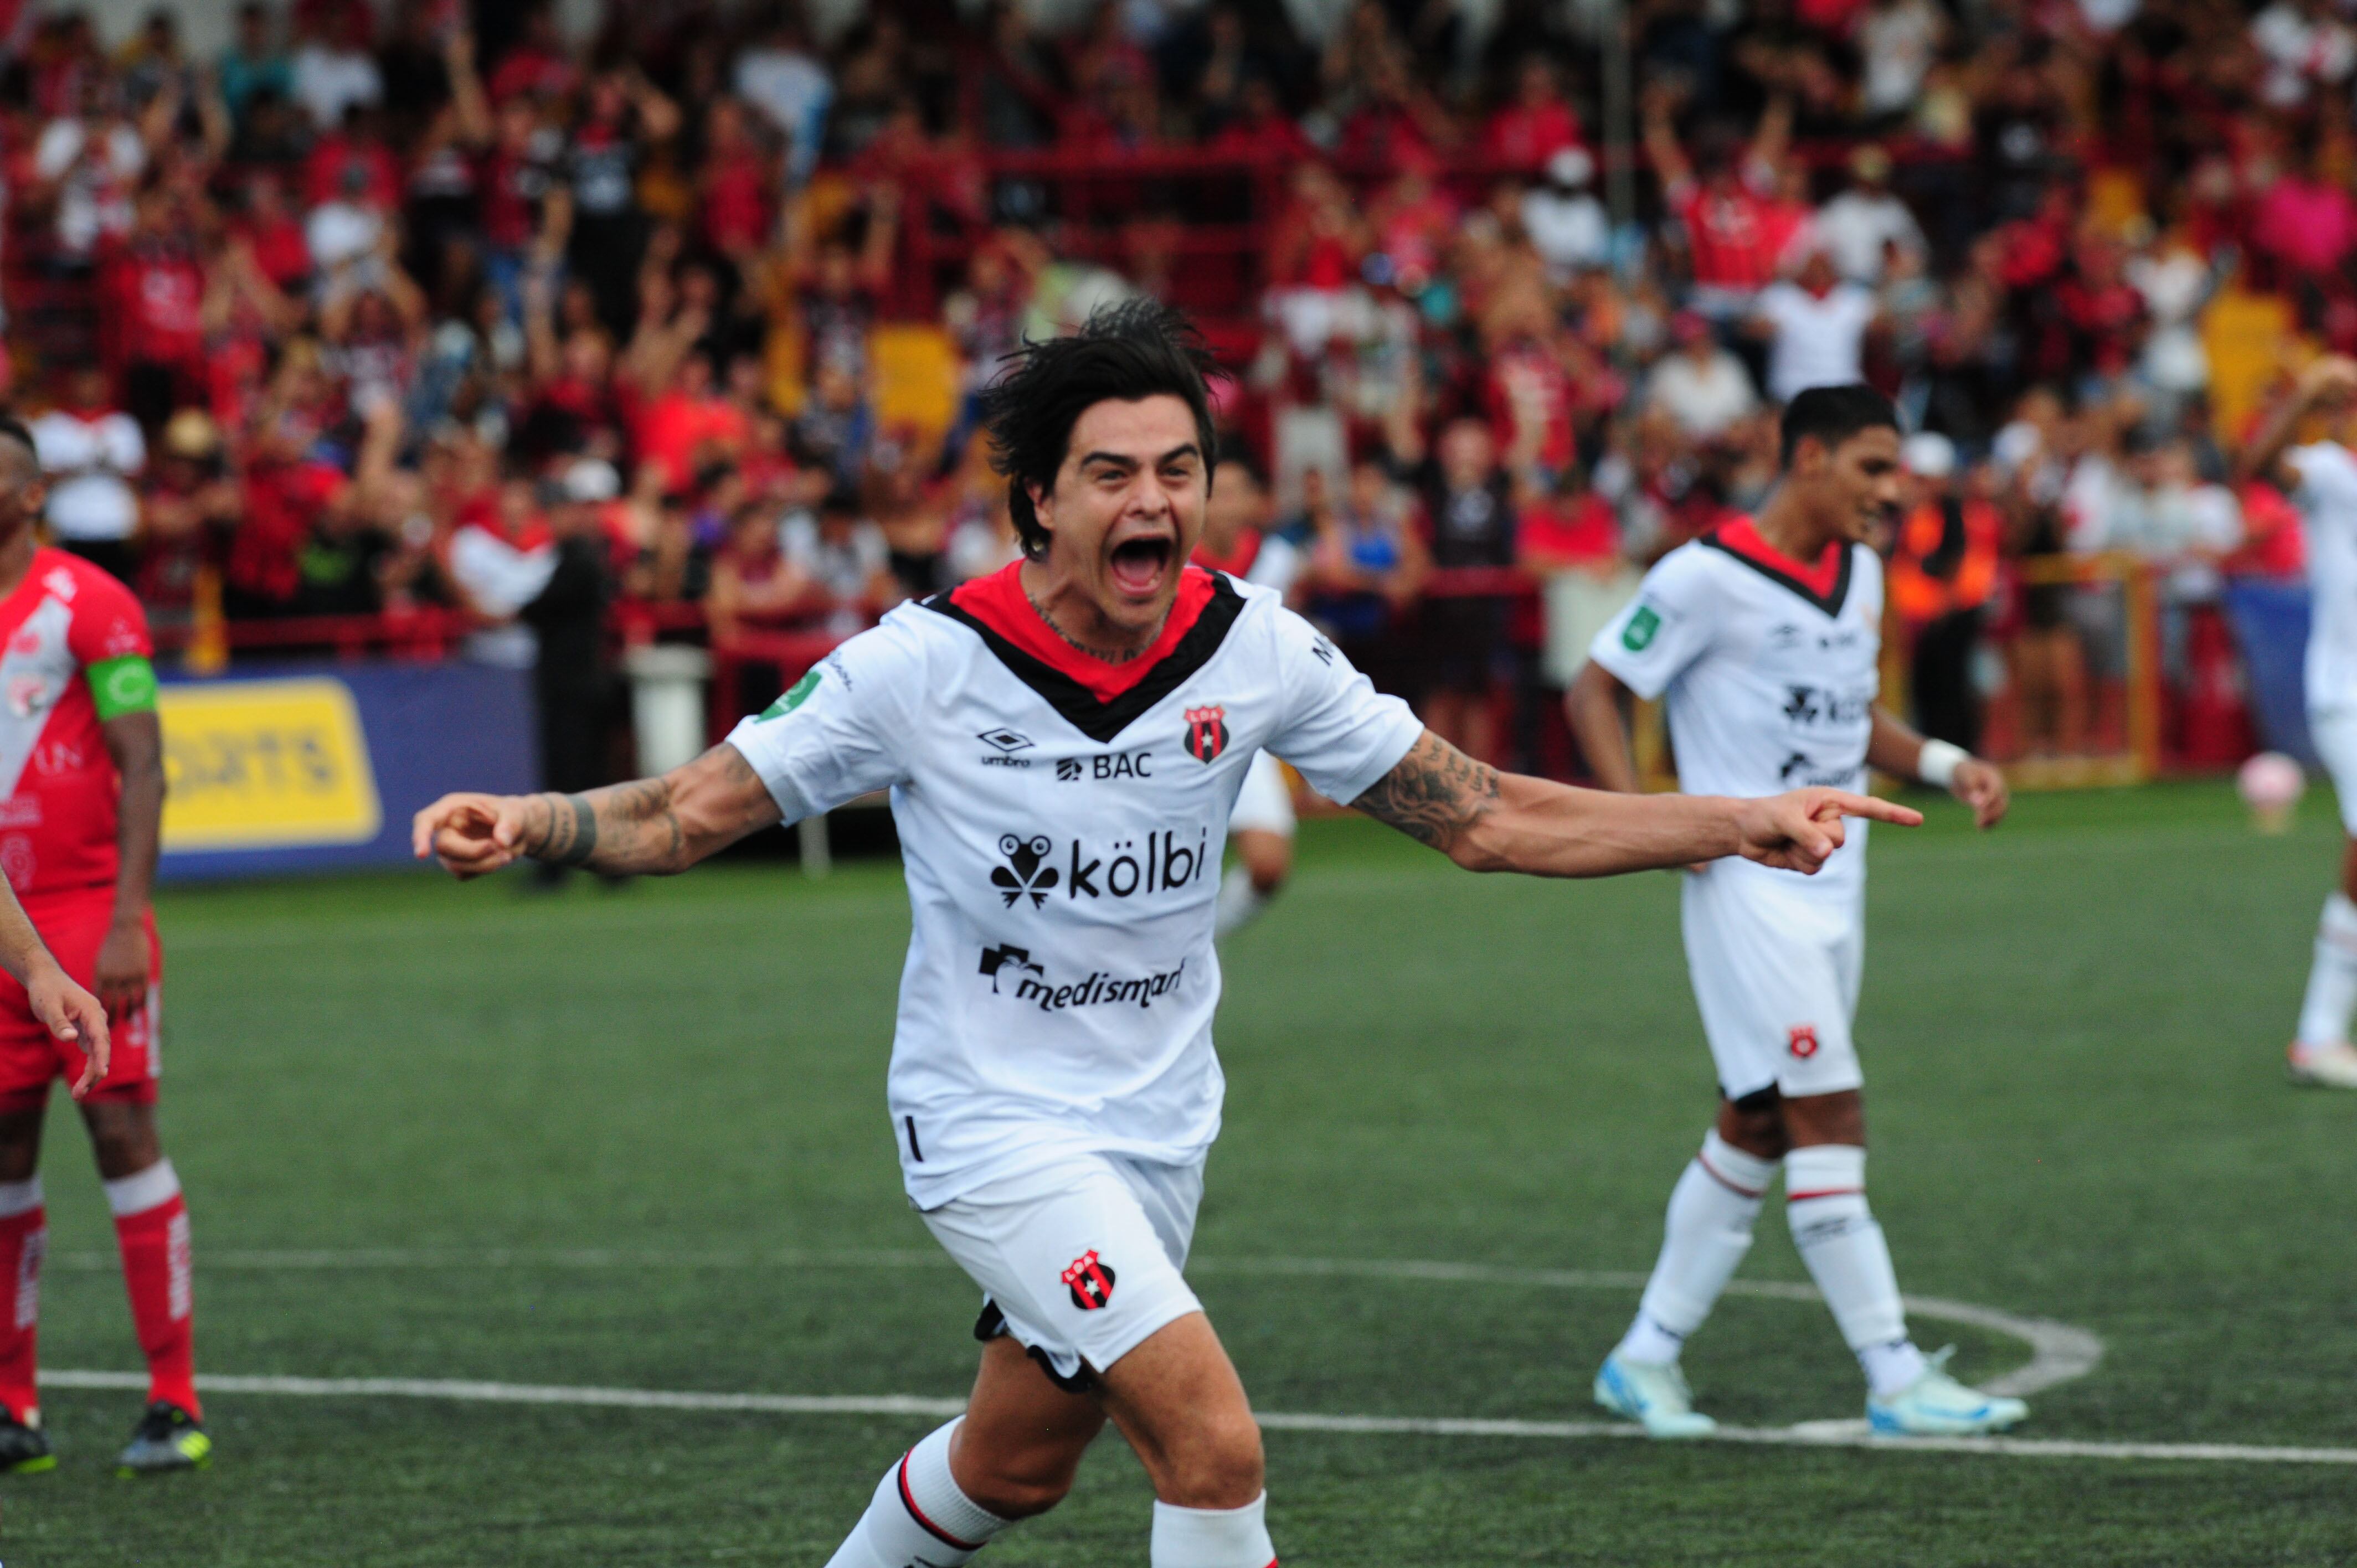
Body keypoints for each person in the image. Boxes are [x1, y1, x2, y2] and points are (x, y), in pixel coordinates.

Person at [414, 304, 1916, 1568]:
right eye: (1112, 474)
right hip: (991, 1124)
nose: (1152, 502)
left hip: (1158, 1127)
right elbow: (691, 810)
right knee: (1211, 1445)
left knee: (1012, 1469)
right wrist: (536, 821)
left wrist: (1730, 817)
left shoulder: (1252, 644)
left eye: (1179, 470)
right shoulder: (921, 664)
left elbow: (1485, 816)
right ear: (1044, 501)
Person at [1568, 385, 2022, 1440]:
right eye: (1871, 467)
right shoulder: (1701, 577)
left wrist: (1949, 762)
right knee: (1830, 1111)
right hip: (1746, 883)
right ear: (1806, 458)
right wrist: (1649, 824)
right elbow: (1595, 689)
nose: (1891, 490)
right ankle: (1896, 1373)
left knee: (1763, 1120)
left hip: (1838, 881)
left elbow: (1849, 712)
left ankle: (1641, 1359)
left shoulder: (1861, 575)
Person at [0, 417, 187, 1474]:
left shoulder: (94, 606)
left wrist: (126, 920)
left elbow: (145, 763)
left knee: (121, 1137)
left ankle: (173, 1396)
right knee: (4, 1154)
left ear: (30, 495)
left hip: (79, 914)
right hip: (0, 918)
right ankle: (12, 1405)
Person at [2240, 356, 2357, 1087]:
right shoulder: (2330, 473)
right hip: (2348, 694)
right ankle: (2317, 1036)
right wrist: (2304, 396)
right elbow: (2252, 464)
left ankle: (2318, 1036)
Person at [1188, 460, 1299, 938]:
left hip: (1242, 727)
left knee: (1268, 865)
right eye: (1218, 494)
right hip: (1168, 724)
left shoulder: (1279, 560)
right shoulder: (1168, 563)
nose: (1229, 506)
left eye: (1239, 493)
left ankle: (1197, 948)